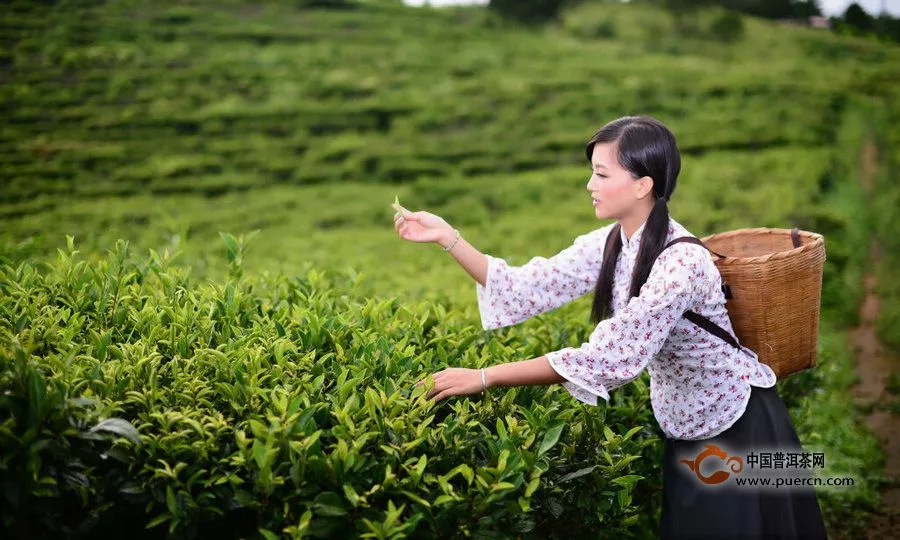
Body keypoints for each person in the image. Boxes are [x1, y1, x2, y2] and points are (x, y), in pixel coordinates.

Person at [393, 115, 828, 539]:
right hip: (686, 427)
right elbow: (526, 286)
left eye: (601, 174)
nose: (590, 185)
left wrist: (486, 377)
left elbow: (608, 358)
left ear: (643, 185)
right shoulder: (611, 243)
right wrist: (448, 237)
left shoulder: (681, 262)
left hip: (740, 425)